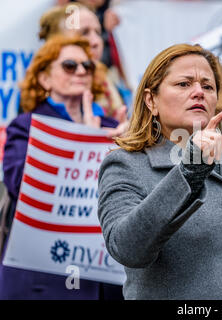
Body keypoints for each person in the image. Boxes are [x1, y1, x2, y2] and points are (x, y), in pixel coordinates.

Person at [97, 43, 222, 300]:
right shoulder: (126, 164)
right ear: (151, 100)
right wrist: (190, 170)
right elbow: (127, 249)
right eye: (184, 84)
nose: (198, 92)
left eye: (208, 86)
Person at [0, 35, 125, 299]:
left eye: (87, 66)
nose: (81, 71)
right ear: (45, 79)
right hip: (43, 280)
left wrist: (131, 145)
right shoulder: (26, 126)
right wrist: (85, 144)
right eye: (70, 65)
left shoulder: (113, 129)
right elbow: (22, 186)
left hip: (104, 281)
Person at [39, 2, 131, 120]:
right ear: (58, 41)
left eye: (98, 32)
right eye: (84, 32)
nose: (96, 41)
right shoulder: (38, 96)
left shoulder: (110, 83)